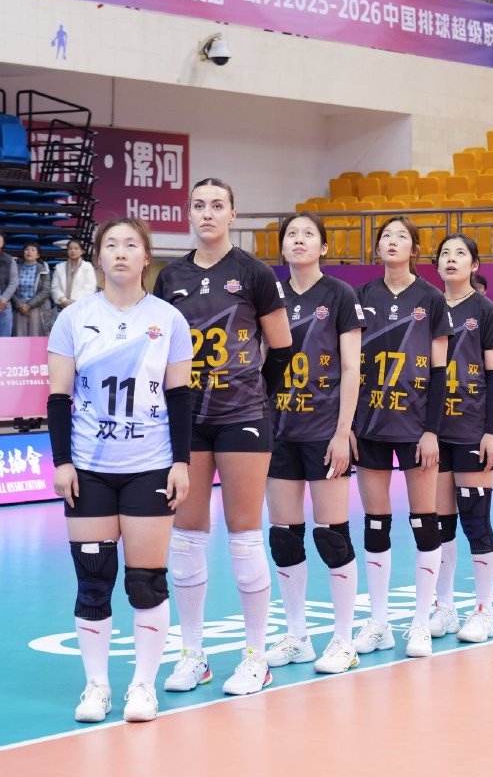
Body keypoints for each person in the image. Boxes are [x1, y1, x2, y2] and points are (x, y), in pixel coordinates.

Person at [46, 217, 193, 724]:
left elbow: (180, 397)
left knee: (145, 582)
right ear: (99, 258)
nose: (121, 252)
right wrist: (62, 461)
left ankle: (143, 686)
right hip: (89, 468)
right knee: (92, 582)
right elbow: (59, 398)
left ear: (146, 256)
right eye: (111, 244)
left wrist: (181, 462)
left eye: (132, 244)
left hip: (150, 465)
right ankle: (96, 687)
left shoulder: (169, 320)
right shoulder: (73, 319)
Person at [153, 178, 292, 696]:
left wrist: (256, 396)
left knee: (244, 534)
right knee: (187, 534)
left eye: (217, 205)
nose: (207, 213)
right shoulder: (171, 277)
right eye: (199, 205)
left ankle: (256, 657)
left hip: (243, 416)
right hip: (188, 419)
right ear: (189, 214)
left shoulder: (255, 273)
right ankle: (193, 655)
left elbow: (281, 349)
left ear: (233, 215)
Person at [263, 213, 364, 676]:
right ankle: (297, 636)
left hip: (324, 430)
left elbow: (351, 368)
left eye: (308, 234)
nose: (298, 240)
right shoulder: (270, 295)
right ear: (282, 247)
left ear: (323, 246)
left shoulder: (339, 294)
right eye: (291, 234)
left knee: (332, 535)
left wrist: (343, 432)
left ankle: (344, 639)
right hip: (279, 429)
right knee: (284, 536)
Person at [349, 216, 452, 658]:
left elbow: (441, 372)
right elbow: (347, 366)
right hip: (370, 423)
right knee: (376, 523)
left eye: (401, 237)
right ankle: (378, 623)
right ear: (377, 249)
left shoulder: (431, 298)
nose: (393, 242)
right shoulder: (360, 297)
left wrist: (431, 430)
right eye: (386, 237)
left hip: (415, 426)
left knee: (424, 521)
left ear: (414, 248)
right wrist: (348, 425)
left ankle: (421, 622)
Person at [429, 233, 493, 644]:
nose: (451, 259)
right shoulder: (427, 305)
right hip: (432, 430)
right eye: (445, 253)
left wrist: (492, 430)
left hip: (473, 427)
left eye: (460, 254)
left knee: (476, 521)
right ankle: (444, 606)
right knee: (440, 523)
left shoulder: (486, 311)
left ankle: (483, 609)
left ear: (474, 265)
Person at [12, 242, 52, 337]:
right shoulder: (15, 268)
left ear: (38, 255)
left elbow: (45, 291)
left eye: (33, 250)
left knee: (35, 335)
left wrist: (29, 305)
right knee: (19, 335)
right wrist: (20, 305)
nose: (29, 252)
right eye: (27, 250)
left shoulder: (43, 270)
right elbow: (11, 288)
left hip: (37, 305)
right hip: (20, 306)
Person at [52, 240, 98, 313]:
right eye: (70, 248)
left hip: (80, 307)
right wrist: (64, 301)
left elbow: (90, 287)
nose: (73, 251)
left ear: (82, 251)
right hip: (62, 306)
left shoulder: (87, 267)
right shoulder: (60, 267)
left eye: (76, 249)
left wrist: (74, 301)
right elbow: (55, 287)